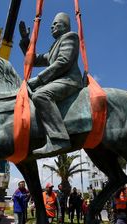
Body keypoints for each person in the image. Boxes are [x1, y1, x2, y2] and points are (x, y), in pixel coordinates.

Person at [19, 12, 83, 155]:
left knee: (41, 95)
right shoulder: (53, 47)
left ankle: (59, 139)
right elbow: (34, 60)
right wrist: (25, 41)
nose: (52, 26)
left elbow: (63, 62)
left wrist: (39, 80)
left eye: (56, 23)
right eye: (51, 24)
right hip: (60, 80)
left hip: (70, 80)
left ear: (65, 26)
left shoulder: (70, 37)